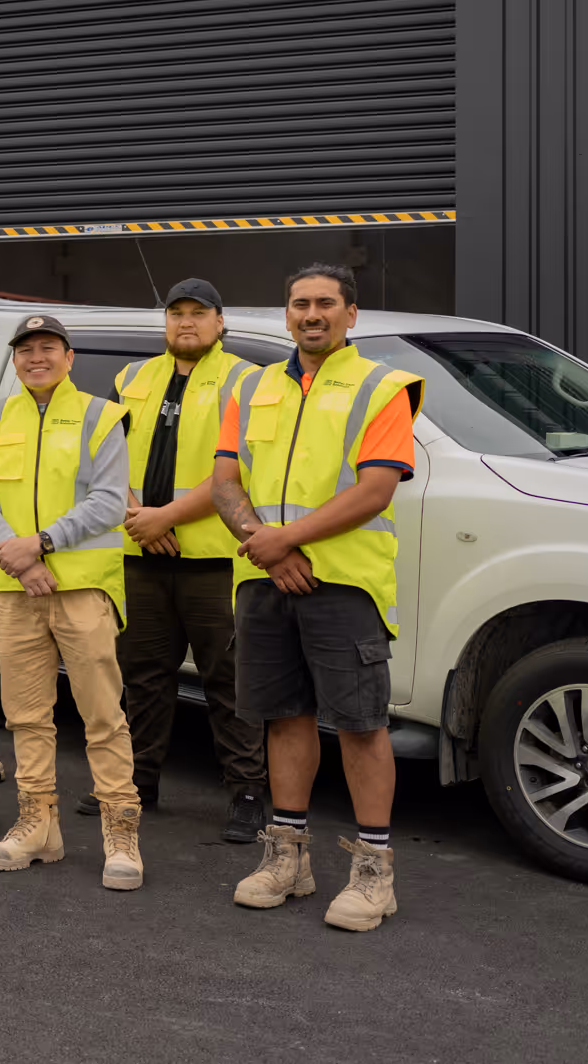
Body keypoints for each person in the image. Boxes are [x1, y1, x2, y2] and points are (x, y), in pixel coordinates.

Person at [211, 264, 422, 933]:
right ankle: (289, 857)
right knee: (283, 717)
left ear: (351, 314)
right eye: (300, 303)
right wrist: (265, 546)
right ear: (286, 314)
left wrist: (285, 541)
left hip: (346, 584)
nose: (311, 313)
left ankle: (374, 871)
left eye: (325, 303)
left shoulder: (381, 387)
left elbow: (376, 488)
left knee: (361, 725)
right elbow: (223, 484)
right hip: (268, 581)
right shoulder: (251, 385)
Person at [81, 279, 267, 842]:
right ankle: (138, 782)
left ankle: (248, 794)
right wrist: (139, 517)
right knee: (142, 678)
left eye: (199, 313)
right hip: (141, 552)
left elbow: (237, 470)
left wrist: (168, 518)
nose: (186, 322)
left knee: (228, 682)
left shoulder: (247, 381)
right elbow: (105, 455)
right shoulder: (131, 378)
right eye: (176, 313)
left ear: (219, 321)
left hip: (213, 559)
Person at [0, 314, 143, 890]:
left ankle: (122, 832)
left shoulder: (100, 416)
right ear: (13, 361)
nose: (35, 358)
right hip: (17, 590)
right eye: (25, 350)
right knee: (25, 716)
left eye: (48, 348)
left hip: (83, 588)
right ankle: (38, 825)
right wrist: (17, 558)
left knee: (101, 715)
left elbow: (111, 501)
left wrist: (39, 545)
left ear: (69, 357)